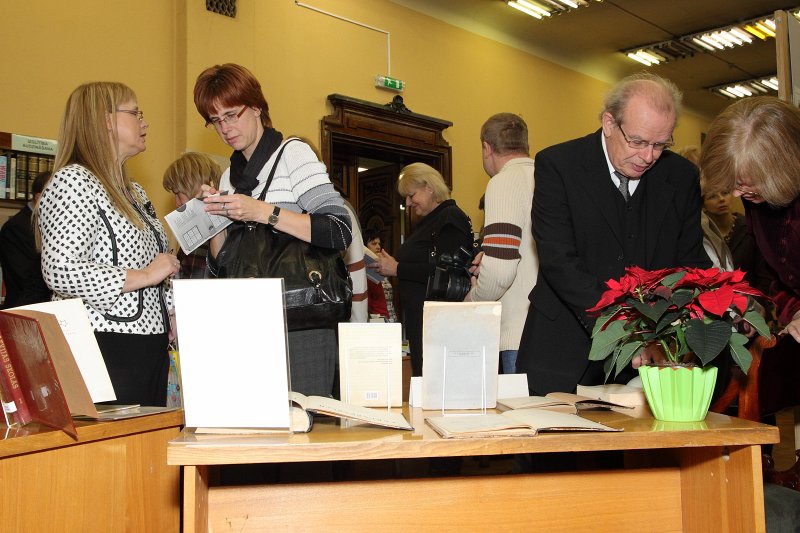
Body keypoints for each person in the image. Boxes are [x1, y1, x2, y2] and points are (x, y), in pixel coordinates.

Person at [516, 72, 711, 396]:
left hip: (644, 355)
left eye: (660, 144)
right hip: (561, 347)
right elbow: (559, 260)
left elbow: (689, 259)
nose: (648, 156)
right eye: (637, 142)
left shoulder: (680, 176)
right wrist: (621, 330)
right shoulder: (559, 165)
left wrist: (726, 303)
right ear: (609, 123)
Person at [193, 63, 352, 397]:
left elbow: (339, 229)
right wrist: (213, 221)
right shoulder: (229, 177)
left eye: (232, 115)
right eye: (216, 120)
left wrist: (265, 212)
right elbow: (226, 263)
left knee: (306, 433)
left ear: (256, 107)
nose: (225, 128)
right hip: (250, 324)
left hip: (301, 320)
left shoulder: (293, 154)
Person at [36, 82, 179, 406]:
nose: (145, 122)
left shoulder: (135, 191)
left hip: (148, 346)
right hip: (104, 346)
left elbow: (157, 263)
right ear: (105, 121)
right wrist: (145, 276)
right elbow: (59, 268)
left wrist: (170, 311)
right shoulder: (74, 180)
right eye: (135, 112)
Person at [700, 96, 800, 343]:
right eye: (733, 183)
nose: (735, 194)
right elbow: (781, 277)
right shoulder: (758, 198)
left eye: (743, 185)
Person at [369, 162, 473, 376]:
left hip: (438, 326)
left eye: (411, 195)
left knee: (435, 383)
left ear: (429, 187)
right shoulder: (431, 221)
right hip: (426, 322)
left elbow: (448, 274)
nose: (407, 203)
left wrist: (398, 269)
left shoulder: (450, 217)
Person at [464, 113, 538, 375]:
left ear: (487, 147)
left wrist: (473, 297)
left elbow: (500, 270)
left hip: (519, 333)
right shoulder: (551, 176)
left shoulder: (503, 182)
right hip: (553, 331)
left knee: (520, 415)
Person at [162, 152, 222, 279]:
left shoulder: (214, 234)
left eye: (178, 194)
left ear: (194, 186)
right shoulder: (194, 234)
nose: (177, 203)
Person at [0, 171, 52, 308]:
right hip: (26, 310)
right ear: (39, 197)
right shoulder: (16, 227)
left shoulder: (50, 226)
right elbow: (27, 277)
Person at [362, 227, 397, 322]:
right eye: (374, 244)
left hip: (390, 317)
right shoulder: (365, 270)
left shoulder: (383, 268)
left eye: (379, 244)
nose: (378, 247)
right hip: (376, 319)